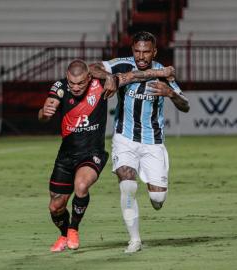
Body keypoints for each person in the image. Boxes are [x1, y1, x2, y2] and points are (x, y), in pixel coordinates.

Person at [39, 59, 177, 252]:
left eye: (80, 83)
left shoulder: (101, 84)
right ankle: (63, 234)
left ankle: (73, 229)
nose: (76, 87)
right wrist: (44, 112)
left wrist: (162, 72)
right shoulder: (60, 86)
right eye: (72, 83)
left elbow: (133, 75)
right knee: (55, 206)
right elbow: (45, 111)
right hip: (66, 155)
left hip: (92, 153)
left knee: (81, 185)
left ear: (89, 77)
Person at [90, 31, 190, 253]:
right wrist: (107, 76)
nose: (141, 56)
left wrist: (171, 94)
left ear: (154, 52)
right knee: (127, 183)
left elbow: (186, 105)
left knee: (157, 198)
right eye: (137, 51)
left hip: (153, 143)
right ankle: (134, 240)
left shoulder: (163, 73)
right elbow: (92, 67)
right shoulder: (122, 65)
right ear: (132, 50)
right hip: (124, 138)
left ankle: (157, 189)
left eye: (146, 52)